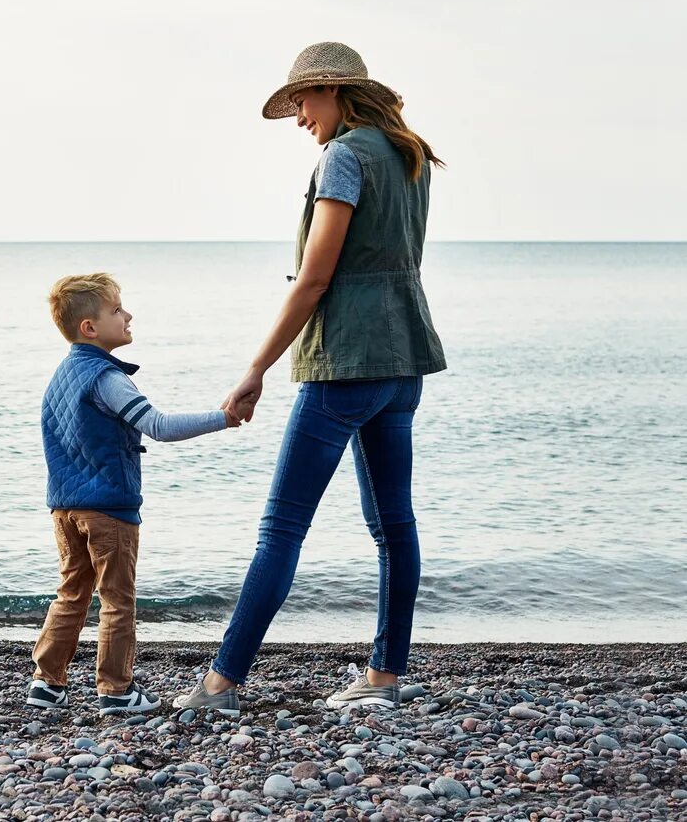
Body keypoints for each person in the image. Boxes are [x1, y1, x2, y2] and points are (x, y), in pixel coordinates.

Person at [173, 42, 447, 716]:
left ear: (333, 91)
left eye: (302, 102)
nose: (299, 117)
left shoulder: (345, 156)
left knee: (282, 530)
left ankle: (221, 683)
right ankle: (384, 677)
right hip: (403, 360)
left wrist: (256, 368)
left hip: (345, 365)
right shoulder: (409, 155)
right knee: (395, 526)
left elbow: (316, 277)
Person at [28, 273, 248, 716]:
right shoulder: (107, 378)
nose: (128, 316)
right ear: (90, 327)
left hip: (64, 506)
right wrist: (223, 418)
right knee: (117, 598)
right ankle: (116, 689)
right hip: (109, 508)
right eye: (117, 310)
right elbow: (158, 426)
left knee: (72, 592)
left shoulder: (61, 376)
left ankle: (47, 683)